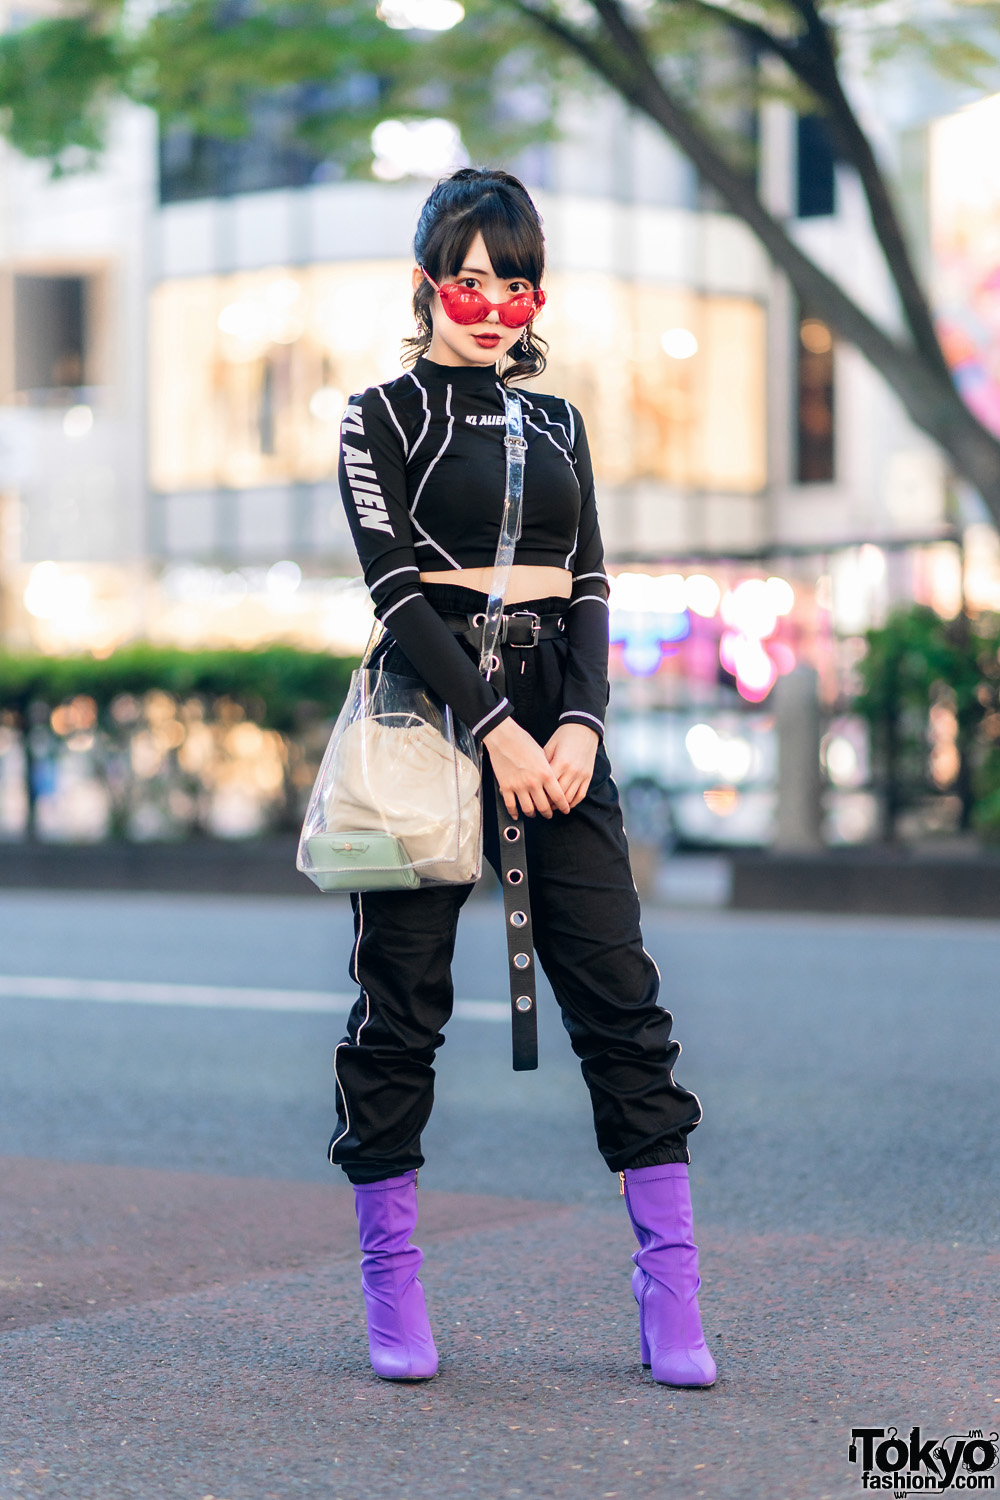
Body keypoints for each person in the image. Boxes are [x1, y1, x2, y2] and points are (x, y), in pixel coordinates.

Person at [332, 167, 715, 1390]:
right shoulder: (375, 415)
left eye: (514, 281)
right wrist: (491, 724)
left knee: (621, 1000)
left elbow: (592, 579)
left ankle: (672, 1295)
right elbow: (395, 592)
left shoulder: (561, 424)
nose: (489, 301)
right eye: (467, 276)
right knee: (401, 1009)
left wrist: (583, 725)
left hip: (561, 727)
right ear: (426, 279)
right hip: (428, 718)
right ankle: (391, 1288)